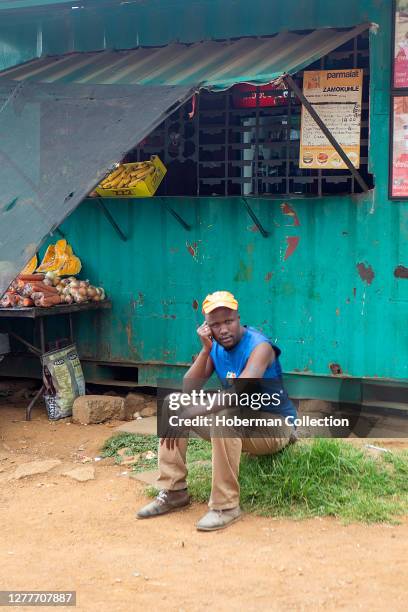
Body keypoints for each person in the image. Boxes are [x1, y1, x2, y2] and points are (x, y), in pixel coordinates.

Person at [136, 291, 298, 531]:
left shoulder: (260, 347)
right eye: (216, 324)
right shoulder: (216, 347)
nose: (224, 329)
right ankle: (173, 491)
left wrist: (193, 412)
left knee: (225, 415)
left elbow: (240, 393)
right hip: (241, 422)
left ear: (238, 318)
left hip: (273, 426)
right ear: (207, 327)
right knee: (173, 402)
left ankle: (226, 506)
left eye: (228, 321)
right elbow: (188, 387)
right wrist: (205, 350)